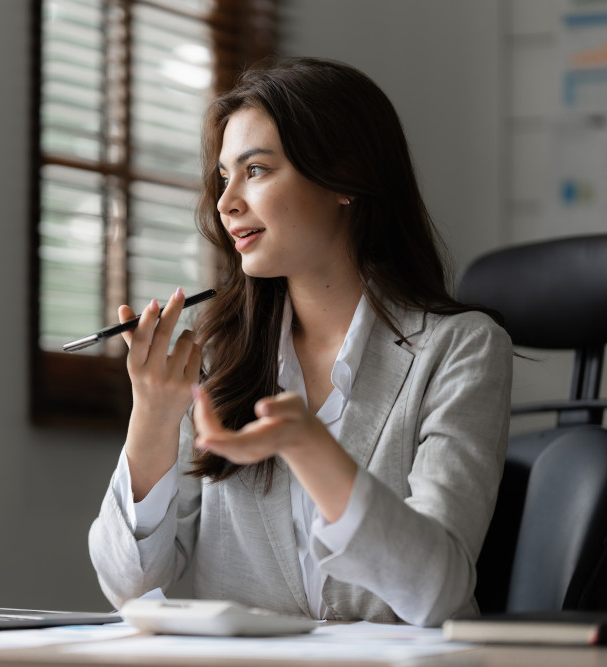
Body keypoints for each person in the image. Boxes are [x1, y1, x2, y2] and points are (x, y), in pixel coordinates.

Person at [88, 57, 513, 627]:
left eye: (256, 170)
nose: (226, 201)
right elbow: (128, 586)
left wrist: (312, 448)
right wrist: (153, 418)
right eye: (223, 177)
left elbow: (435, 593)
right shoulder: (219, 359)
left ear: (344, 180)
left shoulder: (460, 350)